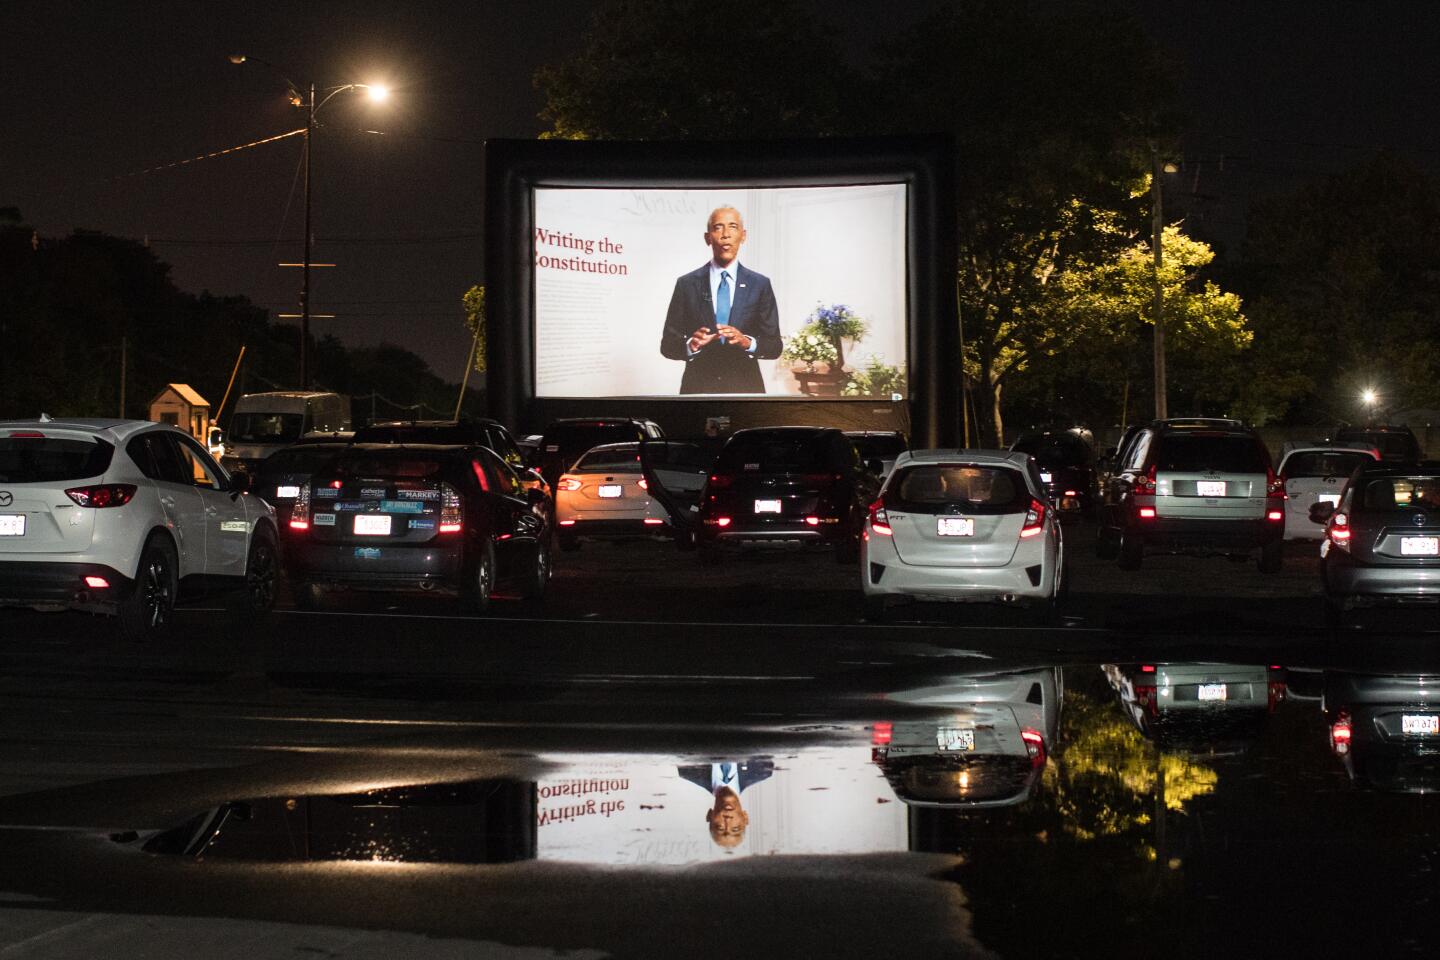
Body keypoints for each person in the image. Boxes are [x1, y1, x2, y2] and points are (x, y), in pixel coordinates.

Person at [659, 206, 782, 394]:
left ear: (743, 235)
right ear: (708, 238)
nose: (725, 235)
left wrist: (747, 342)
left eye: (733, 227)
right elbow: (667, 345)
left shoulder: (760, 284)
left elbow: (774, 346)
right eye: (718, 227)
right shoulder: (686, 284)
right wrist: (690, 345)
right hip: (698, 389)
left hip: (746, 390)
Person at [677, 758, 774, 849]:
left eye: (720, 827)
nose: (727, 820)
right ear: (745, 817)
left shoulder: (687, 770)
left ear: (709, 816)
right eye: (735, 828)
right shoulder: (762, 770)